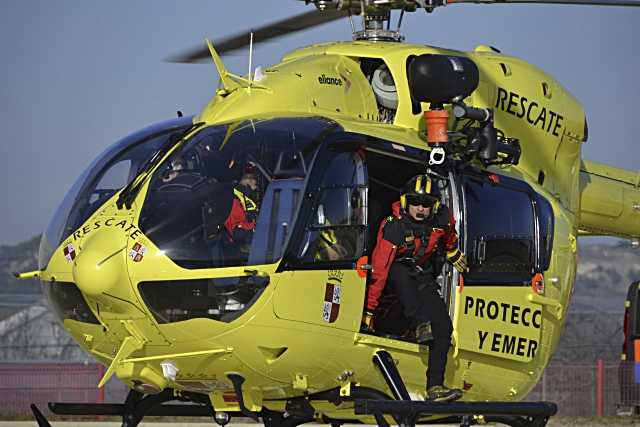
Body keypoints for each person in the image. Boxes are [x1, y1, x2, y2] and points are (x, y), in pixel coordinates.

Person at [362, 174, 468, 402]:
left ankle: (435, 386)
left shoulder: (441, 219)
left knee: (443, 325)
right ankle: (419, 324)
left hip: (420, 273)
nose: (420, 209)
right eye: (415, 203)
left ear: (434, 206)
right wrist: (369, 310)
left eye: (426, 205)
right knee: (399, 273)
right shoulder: (394, 227)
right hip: (394, 275)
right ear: (405, 202)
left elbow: (449, 232)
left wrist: (452, 250)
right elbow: (380, 268)